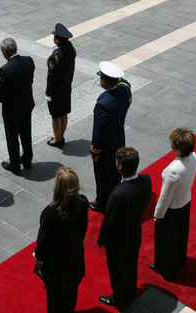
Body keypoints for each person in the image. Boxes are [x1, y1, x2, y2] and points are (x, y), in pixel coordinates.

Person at [97, 147, 152, 310]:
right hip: (134, 233)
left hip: (118, 241)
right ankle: (130, 290)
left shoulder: (118, 195)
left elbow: (110, 221)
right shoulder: (146, 180)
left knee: (117, 270)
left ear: (120, 166)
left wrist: (101, 239)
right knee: (131, 264)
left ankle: (119, 298)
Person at [35, 166, 88, 313]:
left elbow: (42, 246)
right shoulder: (83, 203)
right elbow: (82, 230)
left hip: (56, 268)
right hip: (74, 260)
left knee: (55, 303)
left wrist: (40, 260)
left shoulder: (50, 214)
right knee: (71, 297)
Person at [151, 128, 196, 281]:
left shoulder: (173, 171)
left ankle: (166, 269)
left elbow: (165, 197)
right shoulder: (194, 157)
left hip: (172, 209)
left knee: (166, 241)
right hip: (186, 200)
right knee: (181, 235)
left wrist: (158, 215)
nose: (171, 146)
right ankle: (180, 261)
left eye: (173, 145)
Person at [89, 61, 132, 213]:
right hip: (119, 137)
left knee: (102, 175)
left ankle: (101, 203)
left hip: (106, 146)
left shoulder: (103, 103)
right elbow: (125, 83)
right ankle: (116, 193)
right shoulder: (125, 89)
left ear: (104, 81)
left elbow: (99, 132)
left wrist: (95, 150)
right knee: (115, 171)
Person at [0, 38, 35, 174]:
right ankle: (27, 159)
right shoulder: (29, 61)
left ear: (5, 52)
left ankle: (15, 165)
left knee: (12, 137)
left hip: (12, 110)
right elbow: (30, 80)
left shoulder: (5, 70)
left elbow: (0, 94)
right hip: (27, 104)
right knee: (26, 132)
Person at [45, 23, 76, 149]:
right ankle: (61, 136)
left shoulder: (55, 56)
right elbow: (72, 71)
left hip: (56, 91)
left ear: (57, 39)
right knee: (64, 114)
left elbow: (51, 78)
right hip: (66, 88)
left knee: (56, 116)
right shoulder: (70, 51)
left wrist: (48, 93)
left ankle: (57, 139)